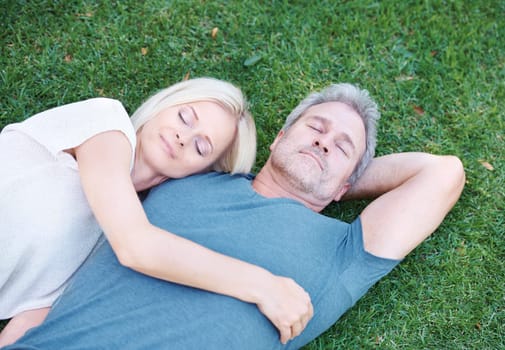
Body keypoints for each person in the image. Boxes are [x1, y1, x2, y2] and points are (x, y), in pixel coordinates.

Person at [3, 83, 465, 350]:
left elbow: (443, 172)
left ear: (349, 186)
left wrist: (329, 180)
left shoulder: (344, 252)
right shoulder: (187, 178)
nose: (325, 141)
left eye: (342, 147)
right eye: (315, 129)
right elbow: (109, 234)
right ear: (280, 136)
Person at [0, 77, 313, 346]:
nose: (183, 136)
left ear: (201, 173)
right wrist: (264, 286)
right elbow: (136, 246)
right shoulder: (105, 124)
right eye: (185, 117)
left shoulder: (108, 236)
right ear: (164, 104)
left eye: (201, 147)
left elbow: (34, 316)